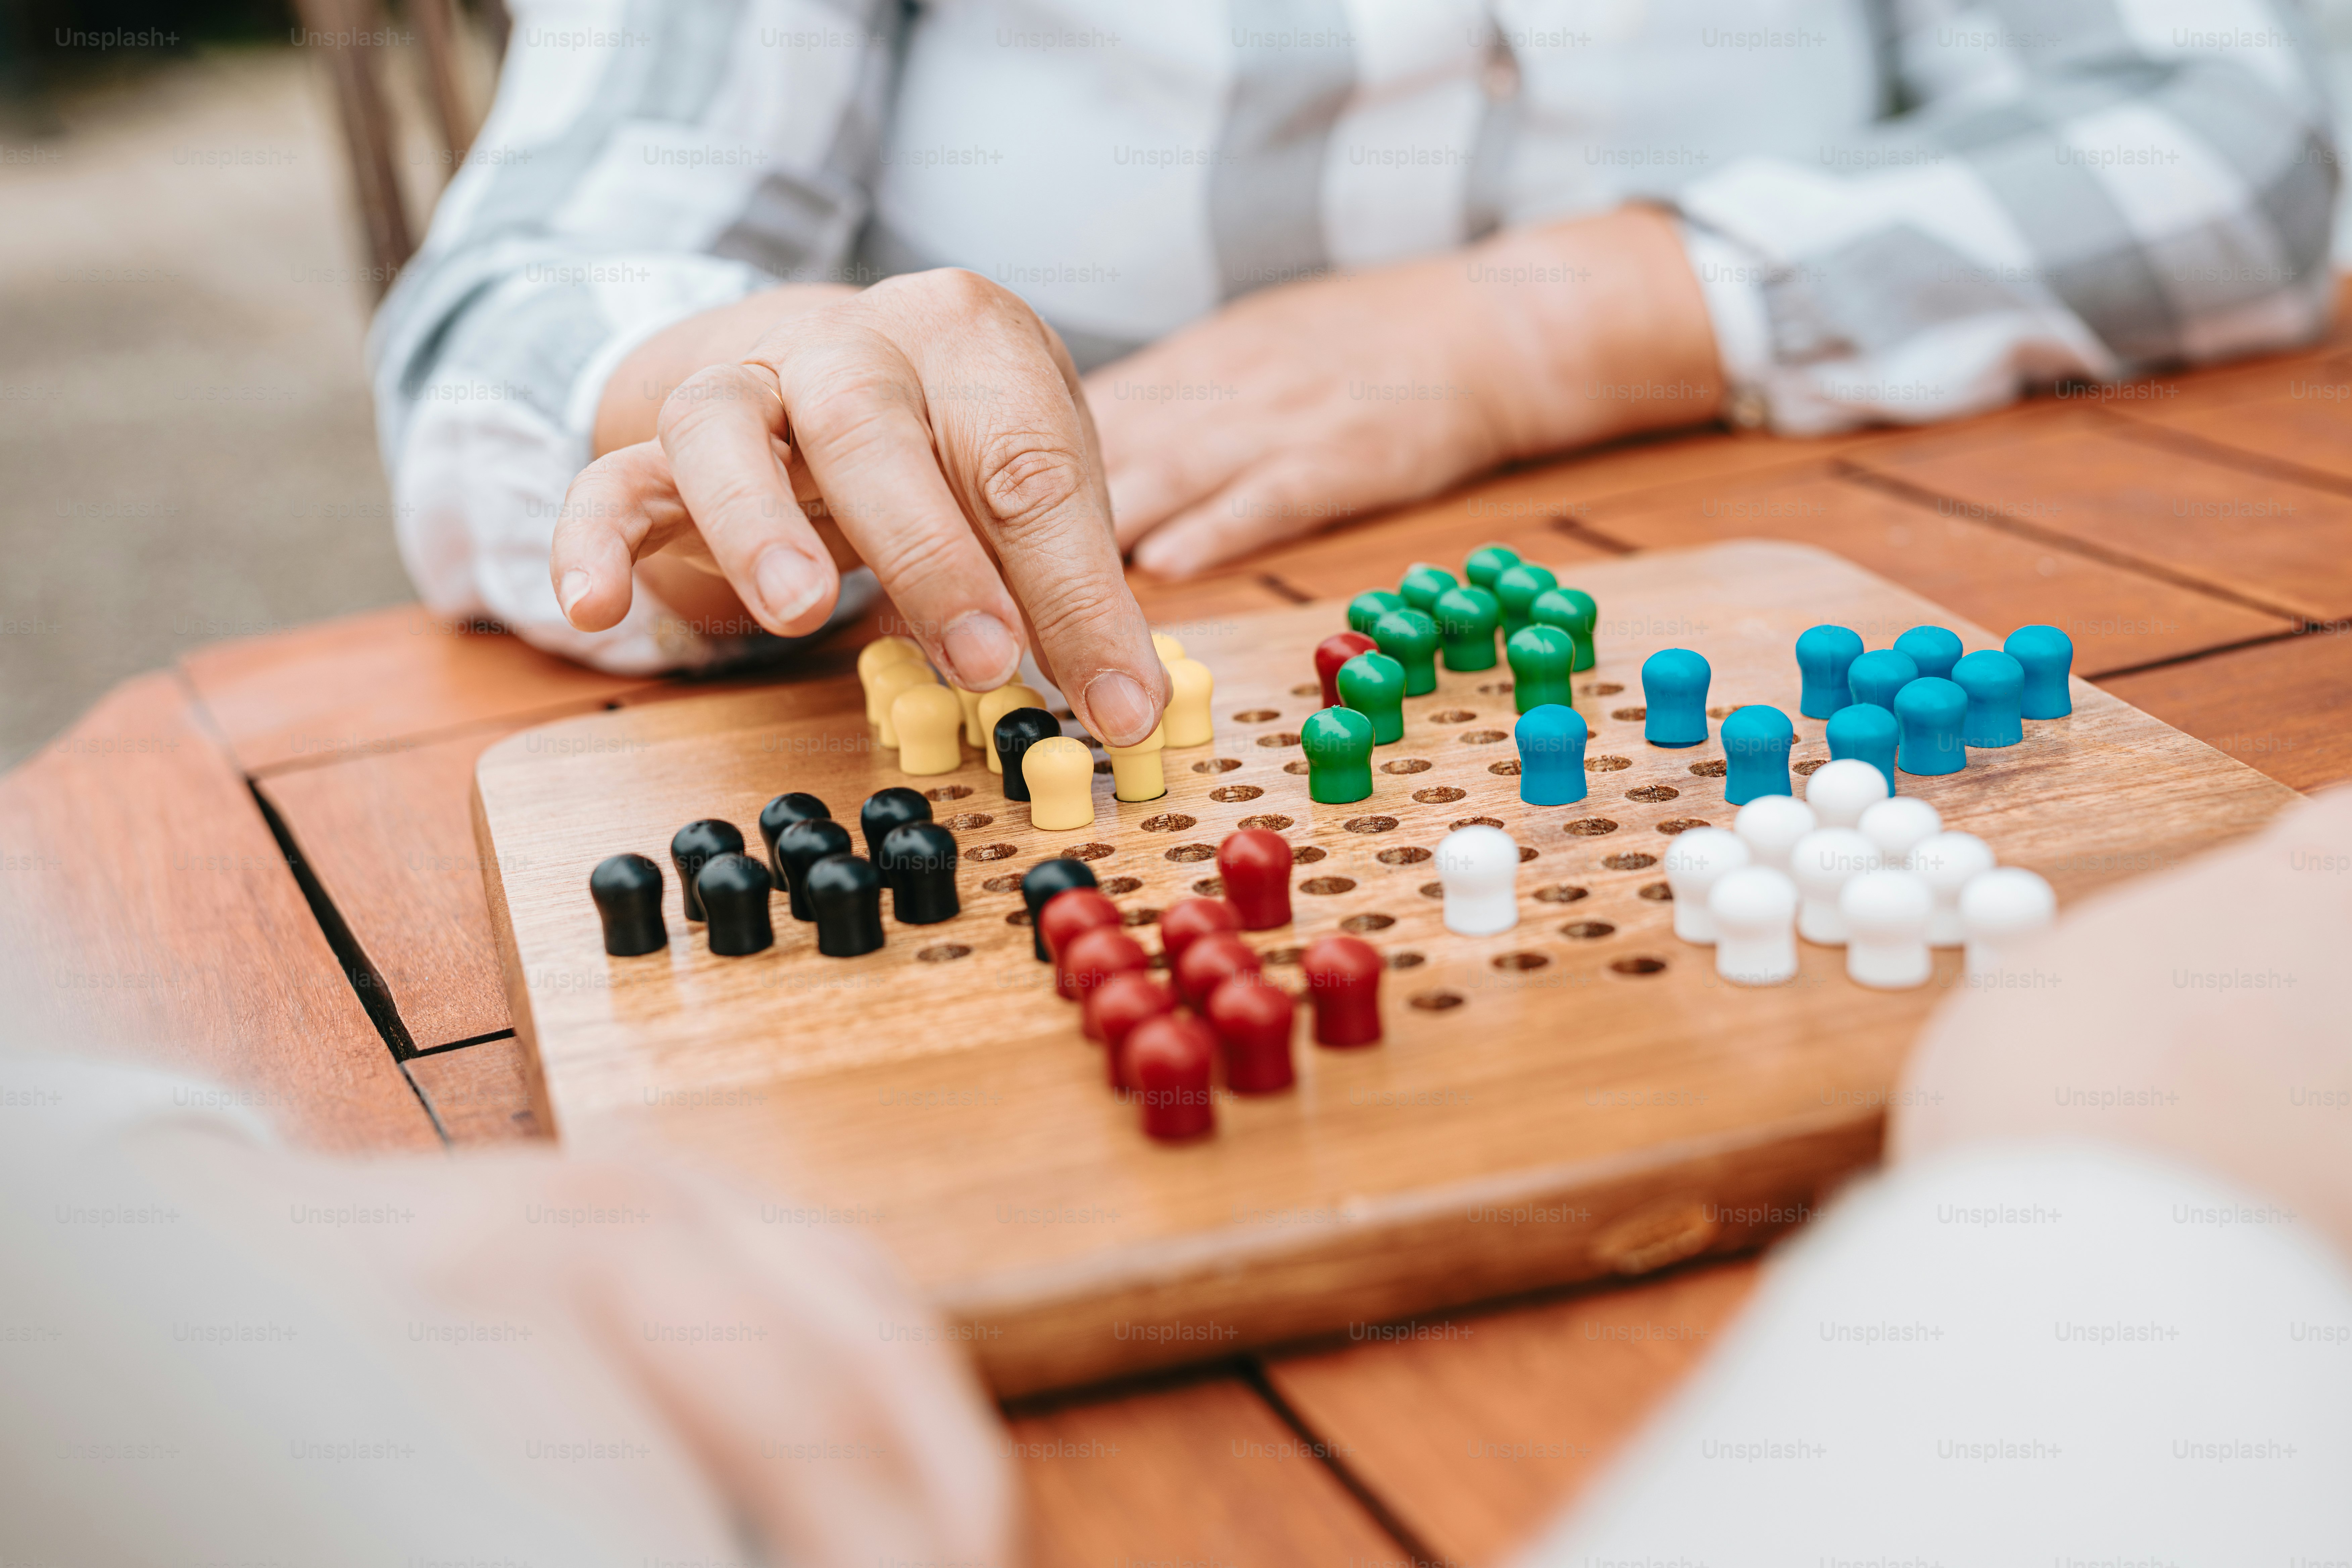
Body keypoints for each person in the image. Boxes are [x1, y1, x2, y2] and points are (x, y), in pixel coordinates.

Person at [369, 0, 2337, 748]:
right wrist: (702, 394)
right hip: (1075, 620)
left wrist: (1527, 332)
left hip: (1839, 523)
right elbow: (508, 303)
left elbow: (2253, 128)